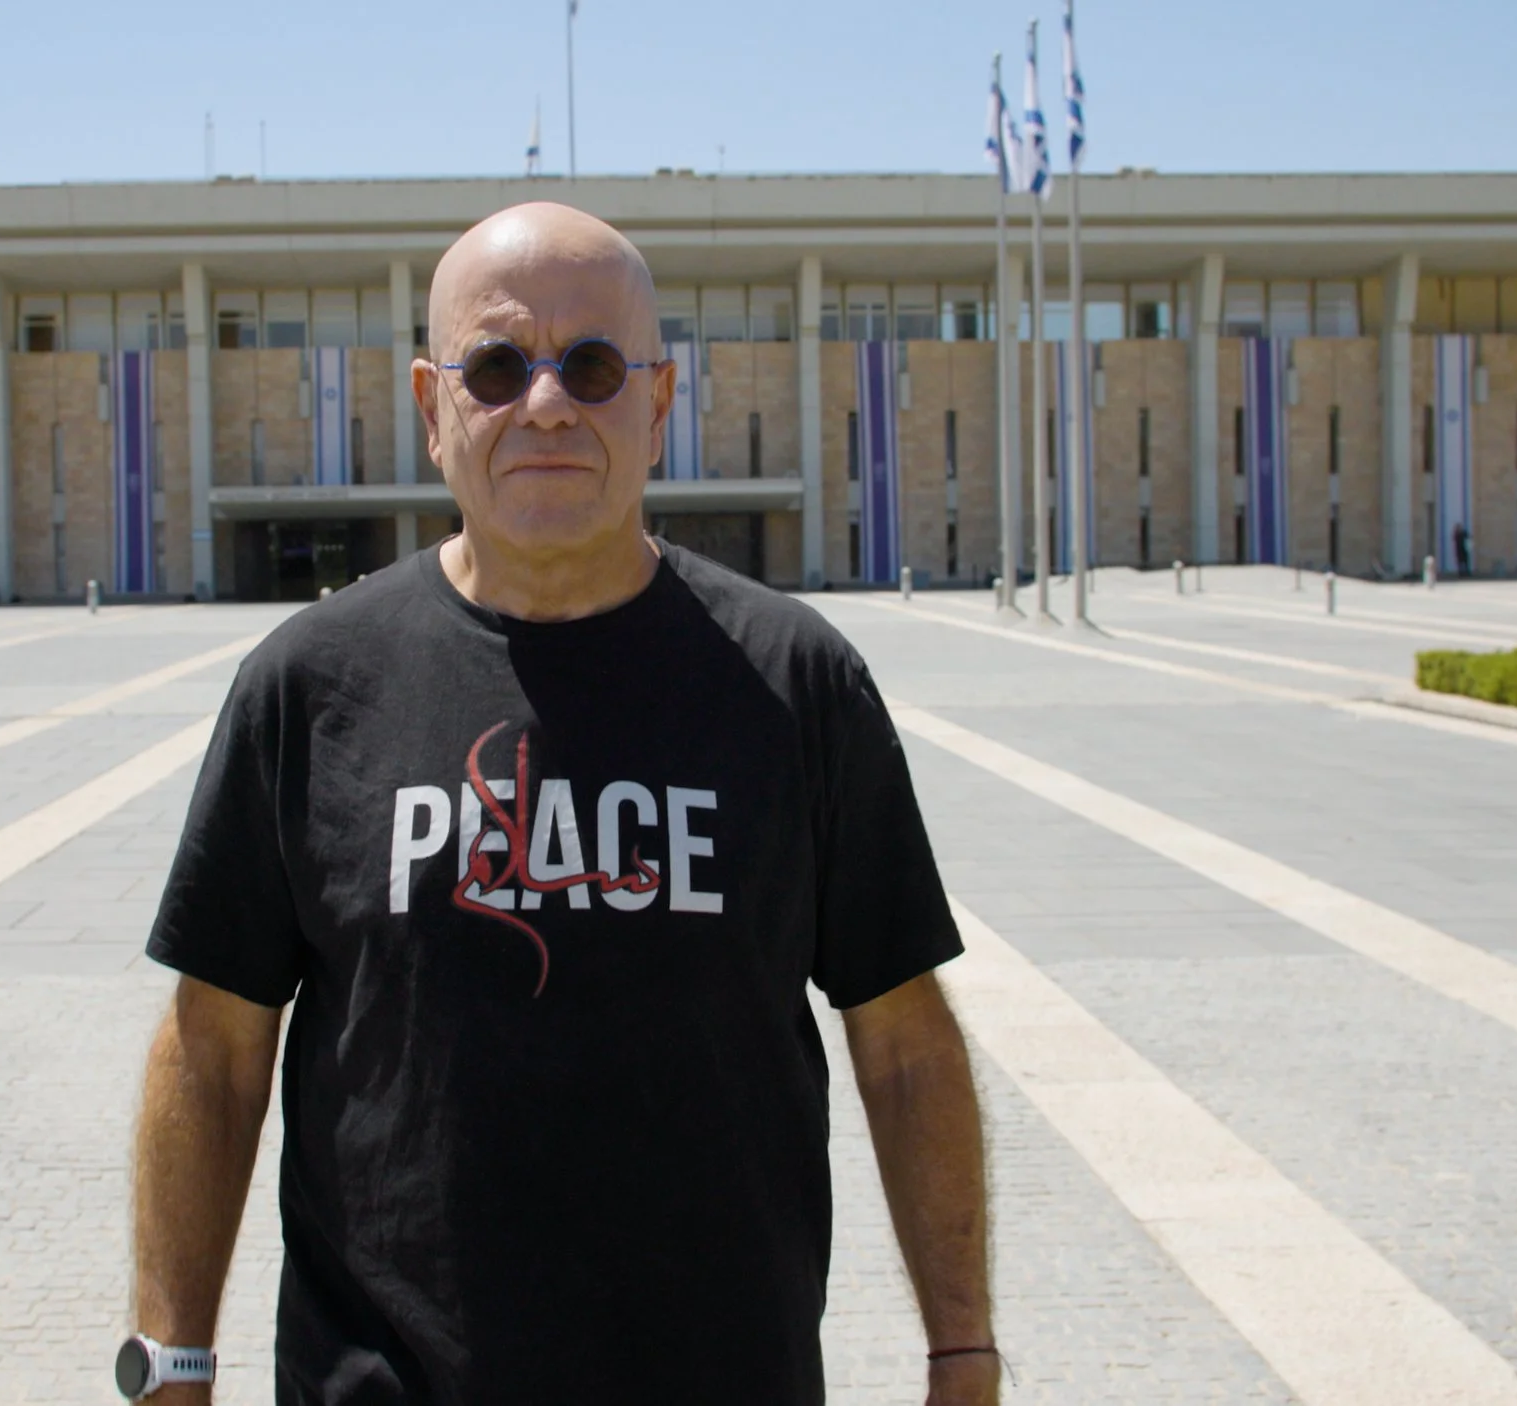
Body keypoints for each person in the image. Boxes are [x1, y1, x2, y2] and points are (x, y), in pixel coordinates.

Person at [130, 202, 994, 1406]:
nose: (544, 404)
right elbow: (214, 1048)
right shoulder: (308, 687)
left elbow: (902, 1042)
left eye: (591, 367)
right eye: (496, 367)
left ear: (658, 403)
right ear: (432, 405)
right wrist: (171, 1362)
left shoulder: (796, 685)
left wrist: (963, 1351)